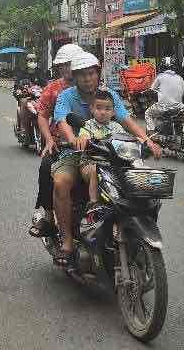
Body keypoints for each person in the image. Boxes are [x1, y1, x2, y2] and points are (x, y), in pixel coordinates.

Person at [52, 52, 161, 265]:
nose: (87, 78)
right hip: (78, 153)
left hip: (112, 154)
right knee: (61, 182)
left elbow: (126, 121)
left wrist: (147, 141)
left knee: (141, 182)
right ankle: (66, 241)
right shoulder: (66, 96)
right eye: (82, 74)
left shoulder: (109, 95)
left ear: (97, 74)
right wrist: (74, 140)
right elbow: (62, 120)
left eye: (91, 73)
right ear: (74, 77)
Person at [28, 43, 82, 238]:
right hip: (61, 144)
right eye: (62, 65)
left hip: (91, 144)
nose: (66, 68)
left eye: (69, 64)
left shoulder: (90, 84)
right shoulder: (53, 88)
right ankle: (49, 217)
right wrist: (49, 140)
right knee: (46, 168)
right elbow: (42, 116)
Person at [79, 91, 126, 210]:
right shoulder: (87, 125)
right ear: (92, 109)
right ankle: (93, 202)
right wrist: (84, 139)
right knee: (97, 168)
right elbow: (83, 137)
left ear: (113, 111)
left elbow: (126, 140)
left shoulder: (117, 127)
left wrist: (139, 141)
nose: (103, 112)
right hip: (90, 163)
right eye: (98, 108)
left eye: (107, 109)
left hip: (113, 163)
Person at [145, 57, 184, 132]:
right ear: (174, 67)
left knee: (148, 113)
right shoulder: (180, 78)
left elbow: (152, 90)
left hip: (163, 108)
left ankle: (151, 131)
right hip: (178, 108)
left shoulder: (160, 77)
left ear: (162, 67)